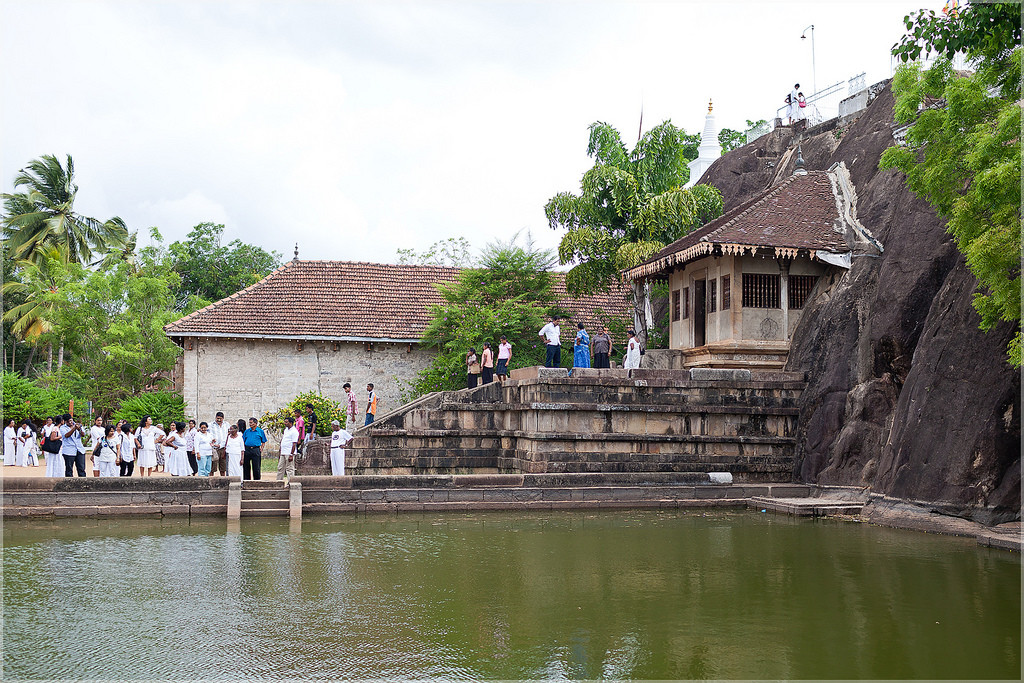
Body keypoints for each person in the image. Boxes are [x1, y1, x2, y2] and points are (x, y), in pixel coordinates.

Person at [278, 416, 299, 482]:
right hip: (283, 452)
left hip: (289, 452)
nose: (285, 423)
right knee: (280, 468)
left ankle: (291, 483)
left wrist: (291, 454)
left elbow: (294, 444)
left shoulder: (294, 431)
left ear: (291, 423)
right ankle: (278, 482)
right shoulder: (286, 430)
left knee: (289, 469)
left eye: (286, 422)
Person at [209, 412, 228, 476]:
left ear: (223, 418)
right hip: (214, 449)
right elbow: (205, 432)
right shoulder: (210, 425)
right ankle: (211, 481)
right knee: (212, 467)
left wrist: (221, 445)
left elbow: (227, 436)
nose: (219, 420)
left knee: (223, 467)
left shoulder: (227, 425)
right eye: (217, 418)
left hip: (223, 448)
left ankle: (223, 480)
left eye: (220, 419)